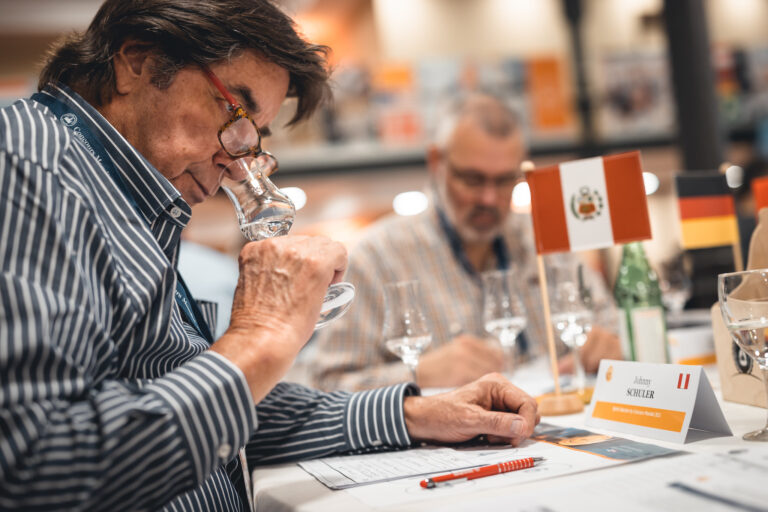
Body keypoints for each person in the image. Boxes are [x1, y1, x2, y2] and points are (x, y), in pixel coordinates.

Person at [0, 2, 540, 511]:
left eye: (253, 137)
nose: (240, 164)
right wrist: (261, 335)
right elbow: (31, 467)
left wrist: (415, 412)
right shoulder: (31, 167)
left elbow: (217, 407)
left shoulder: (120, 197)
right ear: (137, 60)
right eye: (237, 113)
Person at [312, 93, 622, 391]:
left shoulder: (545, 240)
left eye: (504, 181)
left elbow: (614, 328)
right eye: (472, 180)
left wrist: (610, 345)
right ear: (437, 162)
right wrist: (418, 373)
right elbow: (327, 386)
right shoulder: (378, 258)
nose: (489, 198)